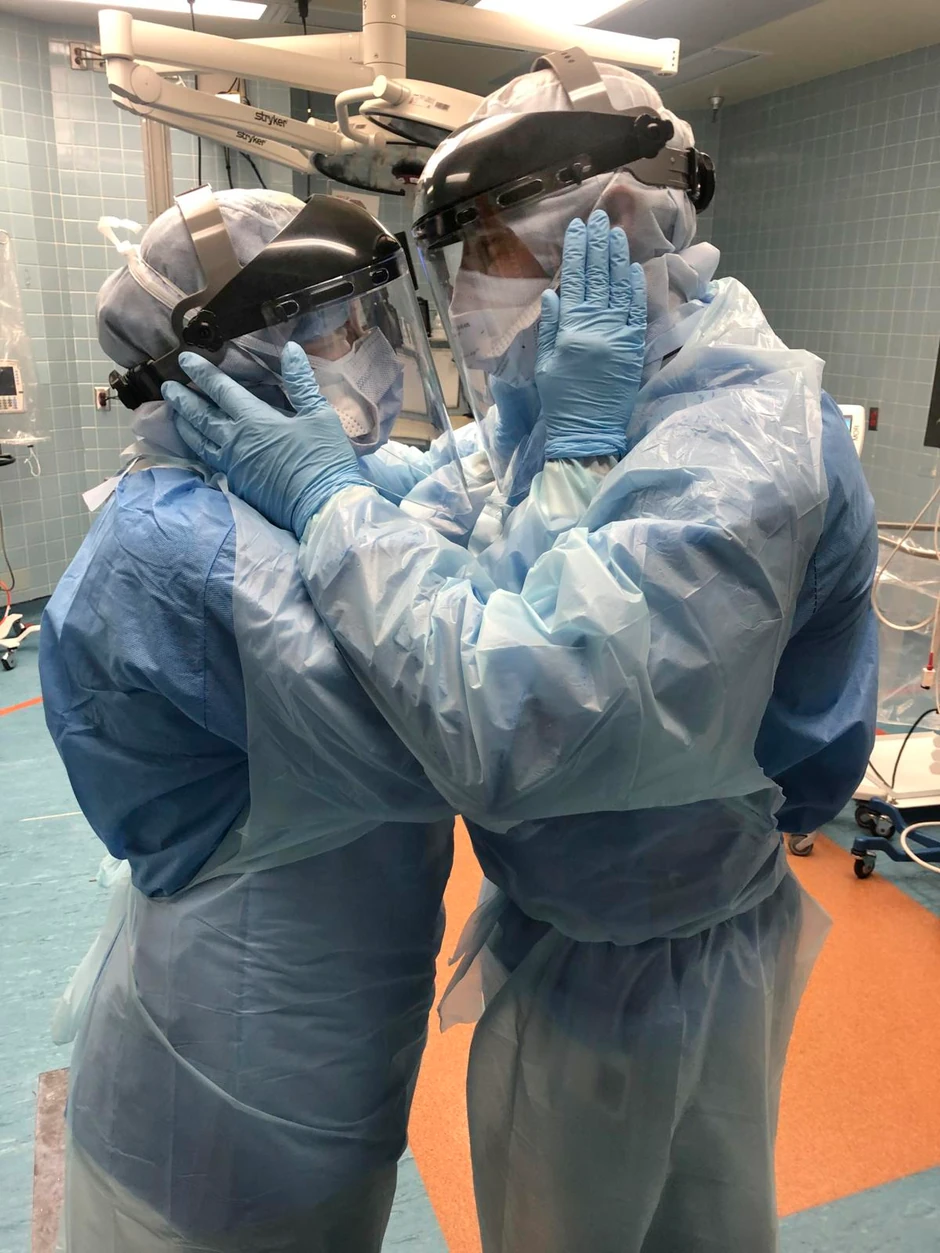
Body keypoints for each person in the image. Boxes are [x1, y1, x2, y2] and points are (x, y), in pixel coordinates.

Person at [165, 54, 879, 1253]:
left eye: (487, 245)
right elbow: (459, 492)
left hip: (662, 963)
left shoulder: (746, 455)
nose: (466, 289)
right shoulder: (591, 388)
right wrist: (334, 468)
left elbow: (521, 719)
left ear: (612, 218)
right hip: (574, 930)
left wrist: (332, 507)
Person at [39, 187, 484, 1253]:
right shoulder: (190, 556)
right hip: (233, 1085)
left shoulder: (248, 495)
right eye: (333, 322)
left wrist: (527, 423)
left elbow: (412, 495)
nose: (364, 343)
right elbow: (462, 730)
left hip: (309, 1038)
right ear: (229, 356)